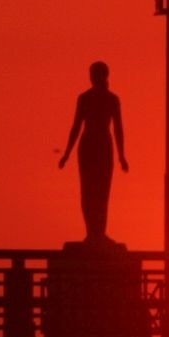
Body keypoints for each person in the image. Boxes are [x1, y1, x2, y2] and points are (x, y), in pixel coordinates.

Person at [58, 61, 128, 243]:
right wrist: (66, 153)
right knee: (88, 191)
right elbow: (76, 126)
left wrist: (122, 156)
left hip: (103, 146)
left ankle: (99, 233)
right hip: (89, 145)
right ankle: (91, 232)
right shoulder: (84, 98)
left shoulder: (112, 99)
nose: (92, 77)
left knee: (103, 192)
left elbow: (118, 129)